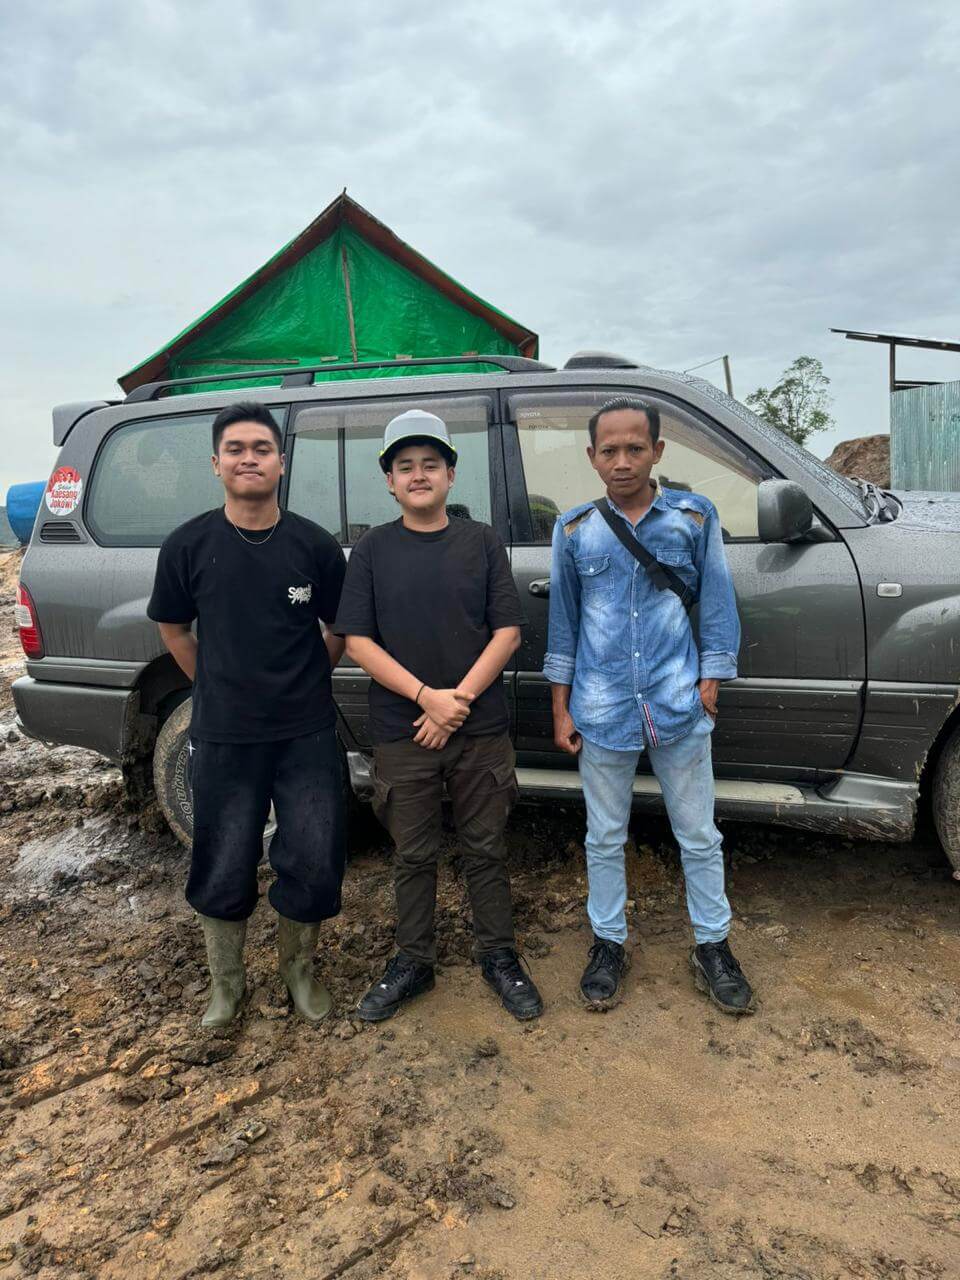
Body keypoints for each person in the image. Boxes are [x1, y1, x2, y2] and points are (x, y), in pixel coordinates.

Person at [544, 396, 755, 1015]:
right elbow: (564, 625)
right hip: (601, 708)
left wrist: (711, 681)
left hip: (677, 703)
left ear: (657, 451)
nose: (622, 461)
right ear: (592, 456)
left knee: (699, 834)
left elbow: (718, 602)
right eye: (609, 450)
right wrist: (561, 707)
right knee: (604, 837)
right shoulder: (575, 529)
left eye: (635, 448)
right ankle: (608, 943)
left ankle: (713, 945)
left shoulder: (692, 516)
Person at [333, 409, 543, 1022]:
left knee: (486, 848)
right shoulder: (372, 550)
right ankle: (413, 961)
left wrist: (456, 704)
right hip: (403, 731)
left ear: (451, 474)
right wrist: (427, 698)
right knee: (413, 853)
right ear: (389, 481)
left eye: (431, 464)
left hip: (479, 730)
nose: (418, 475)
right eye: (405, 466)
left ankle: (499, 956)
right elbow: (357, 642)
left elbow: (507, 633)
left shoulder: (481, 542)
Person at [148, 400, 347, 1028]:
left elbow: (339, 629)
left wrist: (305, 681)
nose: (249, 459)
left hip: (306, 733)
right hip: (224, 734)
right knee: (223, 855)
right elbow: (174, 630)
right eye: (235, 449)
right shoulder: (188, 545)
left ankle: (299, 972)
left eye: (261, 448)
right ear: (216, 463)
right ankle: (226, 986)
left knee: (314, 854)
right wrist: (215, 686)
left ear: (281, 462)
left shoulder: (314, 545)